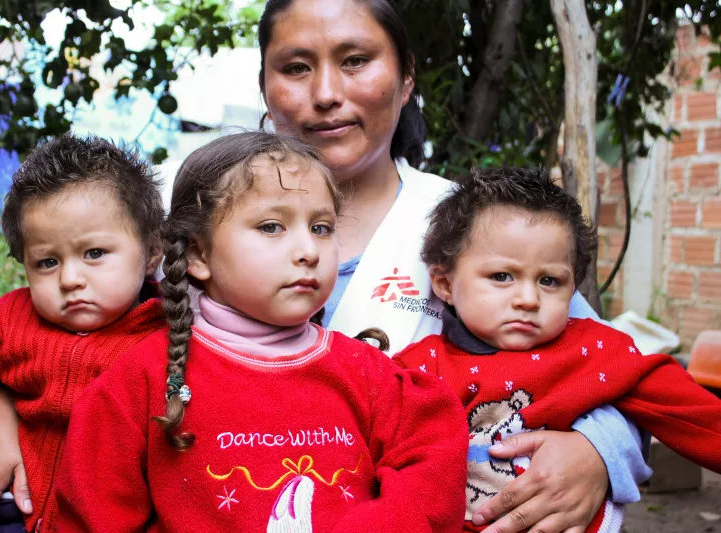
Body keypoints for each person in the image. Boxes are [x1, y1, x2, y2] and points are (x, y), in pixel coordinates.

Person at [0, 2, 650, 532]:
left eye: (356, 60)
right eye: (295, 66)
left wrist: (599, 452)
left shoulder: (471, 225)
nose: (324, 93)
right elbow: (66, 318)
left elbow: (597, 363)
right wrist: (7, 402)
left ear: (406, 79)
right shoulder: (175, 210)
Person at [53, 131, 468, 532]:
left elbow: (434, 459)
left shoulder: (367, 373)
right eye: (272, 227)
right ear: (198, 253)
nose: (308, 251)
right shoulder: (142, 381)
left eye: (321, 228)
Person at [396, 167, 721, 532]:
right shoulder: (417, 368)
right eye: (502, 276)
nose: (528, 299)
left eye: (550, 280)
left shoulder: (596, 351)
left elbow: (693, 414)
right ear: (444, 283)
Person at [0, 135, 166, 533]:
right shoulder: (6, 320)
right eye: (47, 262)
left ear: (153, 249)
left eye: (94, 254)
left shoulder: (165, 338)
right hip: (9, 510)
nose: (70, 279)